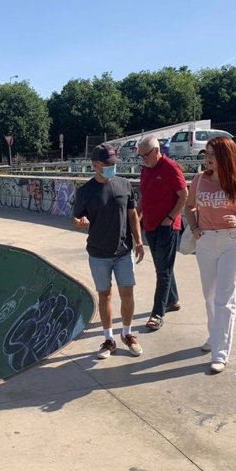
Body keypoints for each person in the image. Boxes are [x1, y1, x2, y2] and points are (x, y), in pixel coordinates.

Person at [183, 136, 236, 374]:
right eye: (206, 154)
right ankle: (214, 335)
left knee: (225, 299)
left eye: (213, 154)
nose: (207, 158)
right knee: (209, 296)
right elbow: (189, 206)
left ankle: (220, 353)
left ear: (226, 156)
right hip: (205, 241)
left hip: (231, 242)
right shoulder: (199, 180)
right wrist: (194, 227)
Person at [73, 143, 145, 359]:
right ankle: (109, 339)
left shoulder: (124, 185)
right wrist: (80, 222)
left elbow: (133, 215)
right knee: (104, 295)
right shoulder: (85, 191)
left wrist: (139, 241)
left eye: (114, 163)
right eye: (108, 164)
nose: (112, 168)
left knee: (127, 294)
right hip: (98, 254)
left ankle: (127, 334)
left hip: (123, 251)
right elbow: (76, 219)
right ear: (96, 165)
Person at [137, 134, 189, 330]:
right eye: (140, 156)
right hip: (150, 226)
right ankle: (172, 300)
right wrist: (137, 218)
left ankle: (157, 313)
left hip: (167, 227)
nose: (143, 159)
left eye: (145, 155)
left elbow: (184, 195)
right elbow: (143, 196)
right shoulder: (145, 170)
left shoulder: (170, 167)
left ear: (157, 151)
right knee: (163, 266)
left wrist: (170, 218)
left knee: (163, 270)